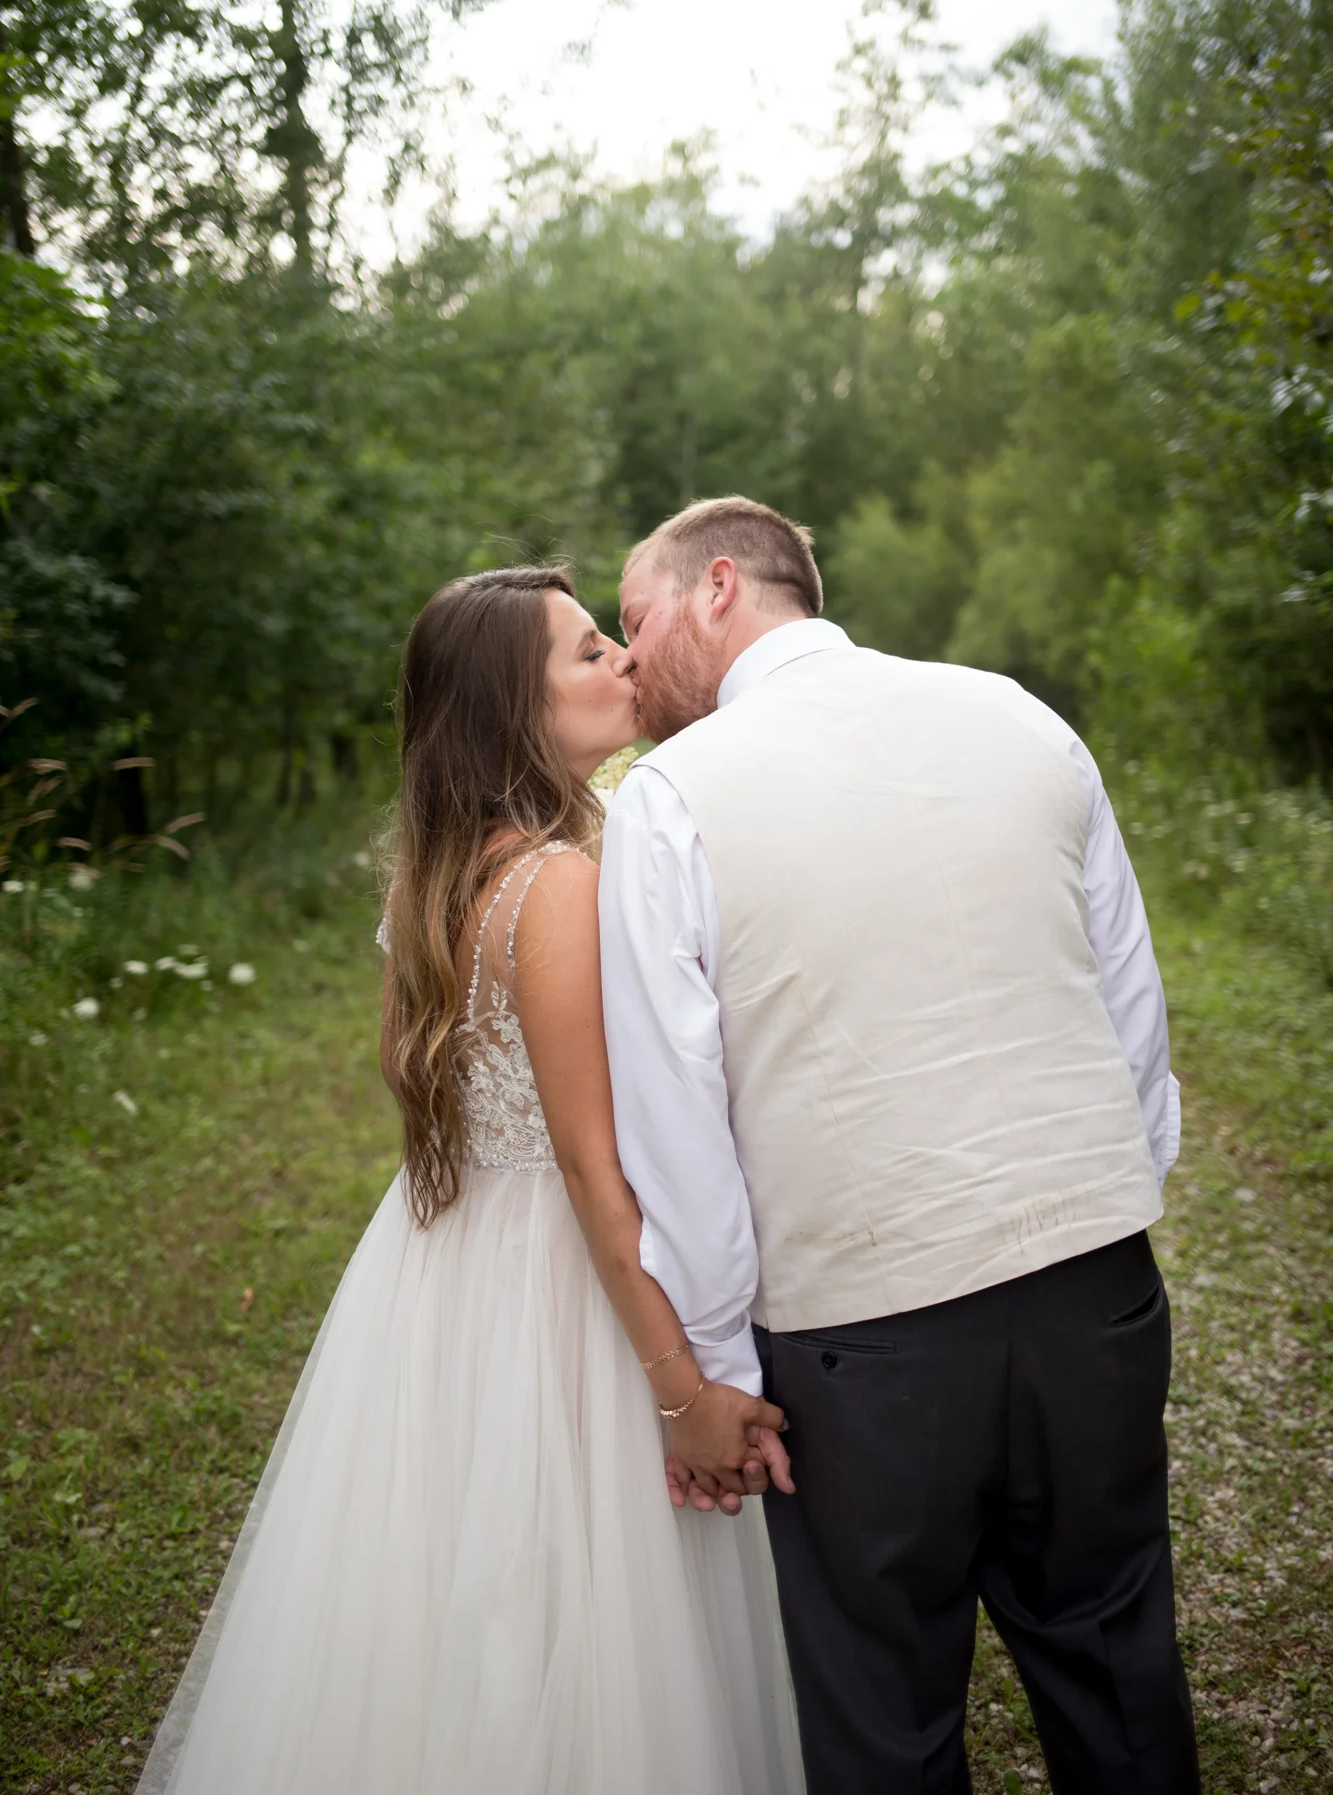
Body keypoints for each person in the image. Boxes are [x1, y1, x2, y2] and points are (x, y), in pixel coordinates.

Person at [137, 566, 803, 1795]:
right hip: (561, 1279)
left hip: (444, 1261)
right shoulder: (552, 886)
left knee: (459, 1574)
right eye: (588, 650)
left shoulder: (437, 876)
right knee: (561, 1586)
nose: (621, 659)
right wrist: (678, 1393)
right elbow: (597, 1170)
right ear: (516, 710)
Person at [599, 496, 1202, 1795]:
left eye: (634, 621)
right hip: (1094, 1284)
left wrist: (712, 1362)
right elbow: (1126, 1007)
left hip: (861, 1347)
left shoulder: (672, 798)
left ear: (717, 588)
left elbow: (675, 1122)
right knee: (1114, 1661)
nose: (627, 659)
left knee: (884, 1716)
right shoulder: (1017, 714)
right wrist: (1106, 1207)